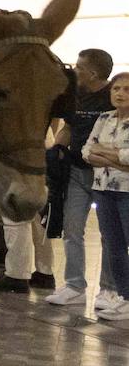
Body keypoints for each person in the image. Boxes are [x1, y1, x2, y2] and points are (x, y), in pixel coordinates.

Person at [48, 48, 117, 307]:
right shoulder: (76, 96)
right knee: (72, 228)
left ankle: (109, 289)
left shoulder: (113, 97)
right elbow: (68, 127)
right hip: (76, 172)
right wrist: (55, 152)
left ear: (93, 73)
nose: (74, 71)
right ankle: (75, 285)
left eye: (78, 67)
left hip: (106, 175)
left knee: (108, 234)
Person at [84, 72, 129, 321]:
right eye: (116, 89)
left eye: (126, 90)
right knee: (114, 246)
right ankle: (125, 296)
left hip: (127, 192)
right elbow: (87, 150)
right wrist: (117, 157)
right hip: (103, 189)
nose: (120, 94)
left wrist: (108, 154)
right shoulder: (104, 118)